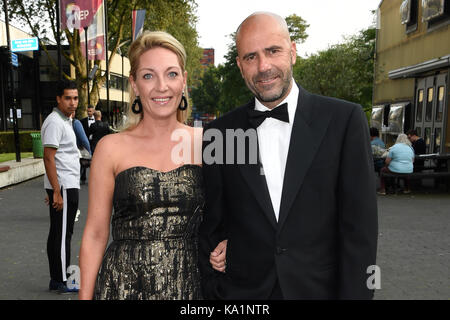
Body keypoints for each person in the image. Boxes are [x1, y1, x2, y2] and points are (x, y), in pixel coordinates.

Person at [199, 12, 378, 300]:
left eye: (273, 51)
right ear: (239, 66)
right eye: (250, 57)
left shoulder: (344, 120)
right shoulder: (219, 132)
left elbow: (361, 232)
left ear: (293, 52)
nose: (263, 66)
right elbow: (212, 227)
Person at [79, 31, 225, 300]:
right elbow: (95, 233)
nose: (161, 86)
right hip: (123, 286)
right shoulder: (110, 147)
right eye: (148, 75)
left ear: (183, 81)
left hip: (191, 285)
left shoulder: (208, 143)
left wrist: (229, 242)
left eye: (171, 74)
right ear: (134, 84)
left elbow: (234, 214)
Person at [41, 80, 81, 294]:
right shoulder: (55, 122)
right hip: (64, 185)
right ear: (58, 99)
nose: (72, 102)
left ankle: (57, 278)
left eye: (75, 98)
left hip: (66, 184)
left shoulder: (65, 120)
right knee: (63, 234)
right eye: (68, 98)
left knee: (59, 232)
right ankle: (63, 280)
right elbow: (48, 157)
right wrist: (55, 190)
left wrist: (51, 187)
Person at [80, 105, 95, 184]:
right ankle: (83, 178)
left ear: (93, 111)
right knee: (84, 161)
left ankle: (94, 178)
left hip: (94, 143)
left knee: (94, 161)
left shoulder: (98, 121)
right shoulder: (82, 121)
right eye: (88, 111)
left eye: (90, 111)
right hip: (85, 143)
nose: (89, 113)